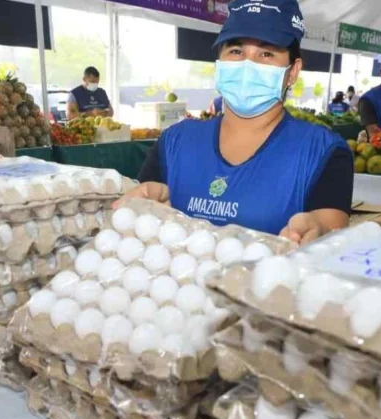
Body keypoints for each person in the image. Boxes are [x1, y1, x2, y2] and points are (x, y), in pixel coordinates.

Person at [120, 0, 352, 243]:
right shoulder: (175, 142)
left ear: (292, 71)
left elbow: (329, 228)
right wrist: (145, 209)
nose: (247, 65)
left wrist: (317, 230)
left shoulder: (323, 152)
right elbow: (140, 219)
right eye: (236, 51)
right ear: (219, 61)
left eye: (266, 53)